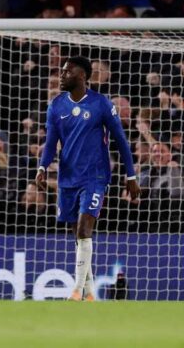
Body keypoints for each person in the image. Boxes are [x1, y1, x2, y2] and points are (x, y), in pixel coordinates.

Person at [35, 56, 140, 301]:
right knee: (79, 237)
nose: (61, 76)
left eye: (67, 72)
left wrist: (131, 175)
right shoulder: (56, 105)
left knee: (84, 229)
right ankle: (91, 293)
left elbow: (121, 140)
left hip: (95, 176)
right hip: (67, 178)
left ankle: (76, 291)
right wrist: (42, 167)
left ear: (82, 76)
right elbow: (51, 143)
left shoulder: (101, 103)